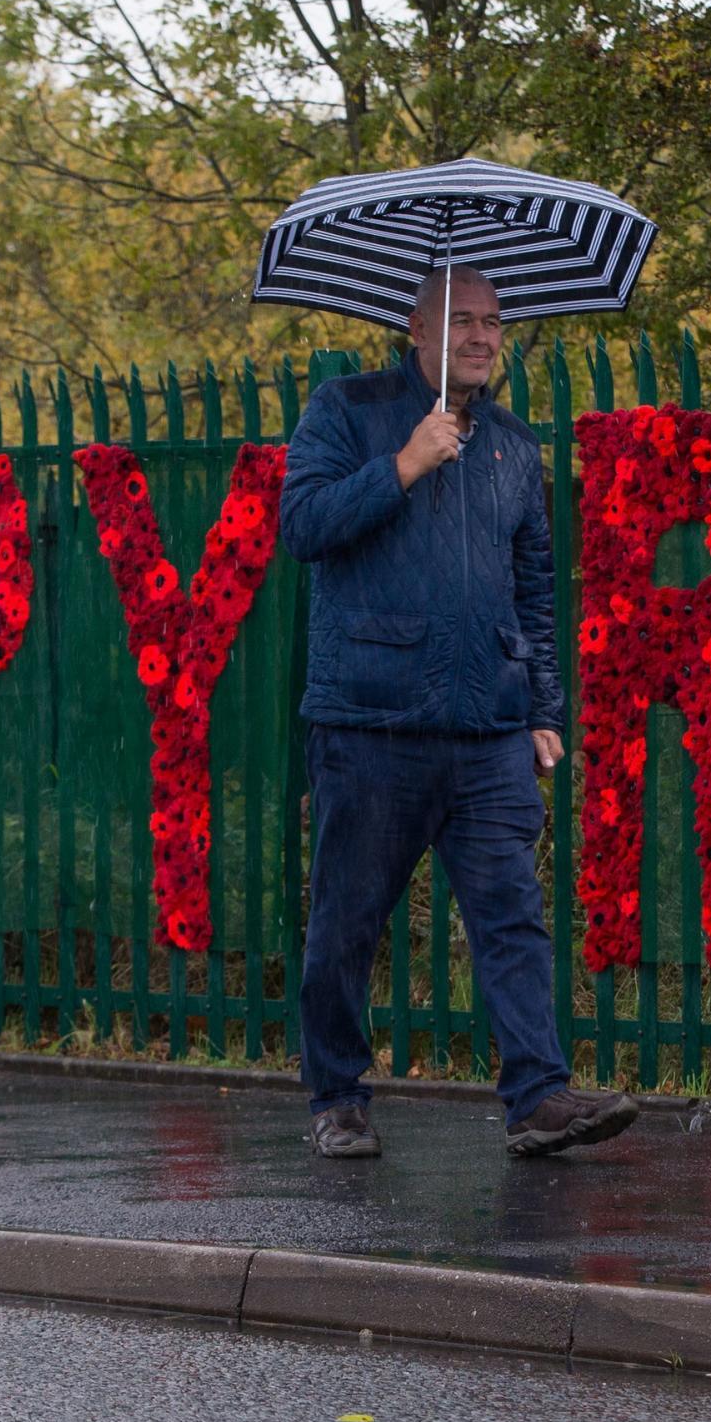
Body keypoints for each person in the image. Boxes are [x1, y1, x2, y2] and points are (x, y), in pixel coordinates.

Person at [279, 266, 640, 1159]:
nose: (481, 336)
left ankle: (538, 1099)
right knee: (347, 920)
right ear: (416, 329)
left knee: (512, 917)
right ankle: (337, 1095)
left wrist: (544, 707)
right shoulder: (348, 408)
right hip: (372, 724)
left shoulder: (515, 445)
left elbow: (535, 589)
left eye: (493, 322)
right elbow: (302, 525)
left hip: (489, 728)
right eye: (462, 321)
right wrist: (403, 463)